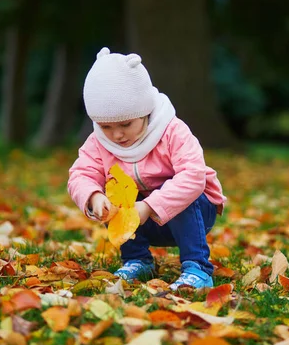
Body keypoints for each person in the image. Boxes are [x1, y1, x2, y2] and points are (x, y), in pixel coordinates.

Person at [68, 47, 226, 291]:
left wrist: (150, 206)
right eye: (106, 127)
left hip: (193, 214)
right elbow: (81, 174)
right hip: (141, 223)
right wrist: (93, 197)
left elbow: (193, 177)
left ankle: (197, 267)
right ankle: (137, 258)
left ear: (144, 110)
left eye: (125, 124)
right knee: (116, 190)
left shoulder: (172, 131)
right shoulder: (99, 142)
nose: (117, 135)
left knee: (176, 187)